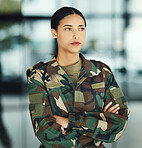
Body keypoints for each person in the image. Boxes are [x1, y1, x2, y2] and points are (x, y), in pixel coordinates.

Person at [26, 6, 129, 148]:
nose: (76, 35)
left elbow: (118, 124)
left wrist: (69, 122)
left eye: (81, 28)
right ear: (54, 33)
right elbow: (45, 132)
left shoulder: (102, 72)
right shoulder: (39, 75)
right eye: (68, 29)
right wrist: (97, 124)